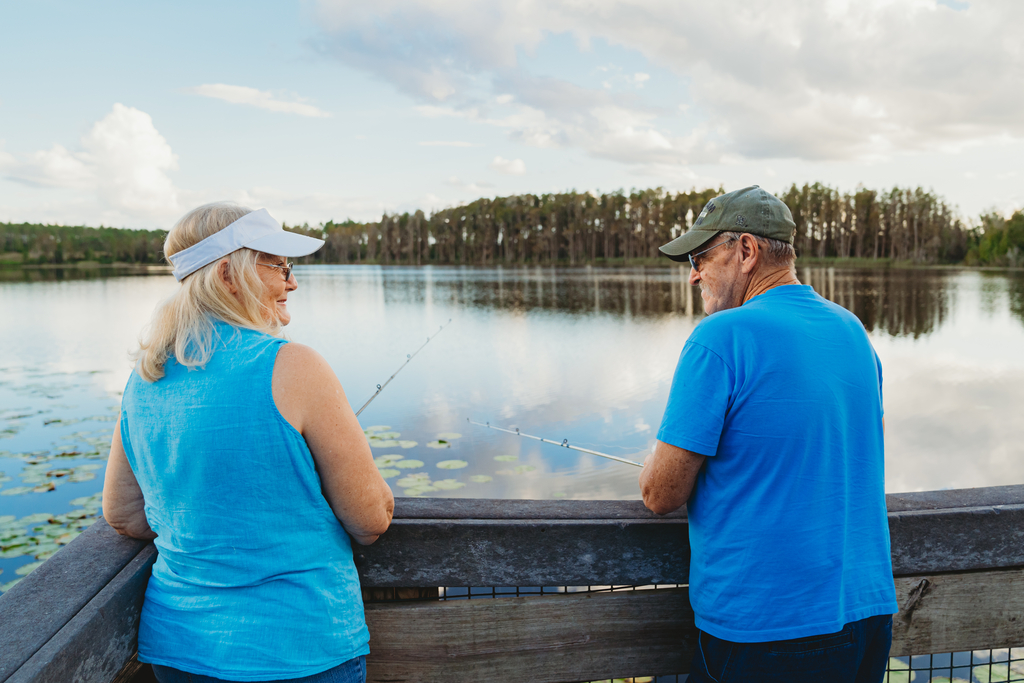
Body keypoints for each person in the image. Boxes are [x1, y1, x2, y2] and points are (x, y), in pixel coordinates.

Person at [102, 203, 394, 683]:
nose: (292, 282)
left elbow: (125, 516)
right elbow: (369, 519)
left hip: (181, 652)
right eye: (279, 266)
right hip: (299, 649)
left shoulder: (146, 375)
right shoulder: (295, 366)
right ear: (227, 275)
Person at [639, 186, 897, 682]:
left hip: (767, 631)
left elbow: (660, 493)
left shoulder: (721, 337)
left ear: (746, 251)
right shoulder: (852, 332)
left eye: (699, 257)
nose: (694, 273)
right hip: (867, 617)